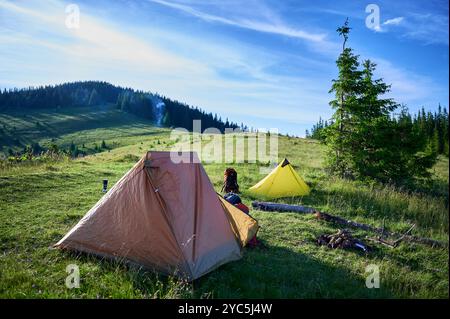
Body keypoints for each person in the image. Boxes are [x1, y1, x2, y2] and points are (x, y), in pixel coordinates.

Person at [222, 167, 260, 248]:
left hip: (223, 206)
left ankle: (230, 194)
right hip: (225, 208)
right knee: (236, 197)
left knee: (232, 197)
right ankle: (231, 194)